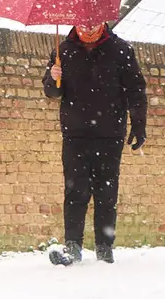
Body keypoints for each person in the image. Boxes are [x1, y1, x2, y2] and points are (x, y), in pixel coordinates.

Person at [42, 22, 147, 265]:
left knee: (106, 192)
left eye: (94, 23)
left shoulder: (120, 50)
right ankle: (73, 246)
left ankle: (104, 248)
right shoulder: (63, 50)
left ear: (103, 22)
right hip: (75, 134)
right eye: (84, 23)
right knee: (74, 191)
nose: (89, 29)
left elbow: (136, 90)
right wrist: (52, 77)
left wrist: (139, 124)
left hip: (109, 133)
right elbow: (53, 94)